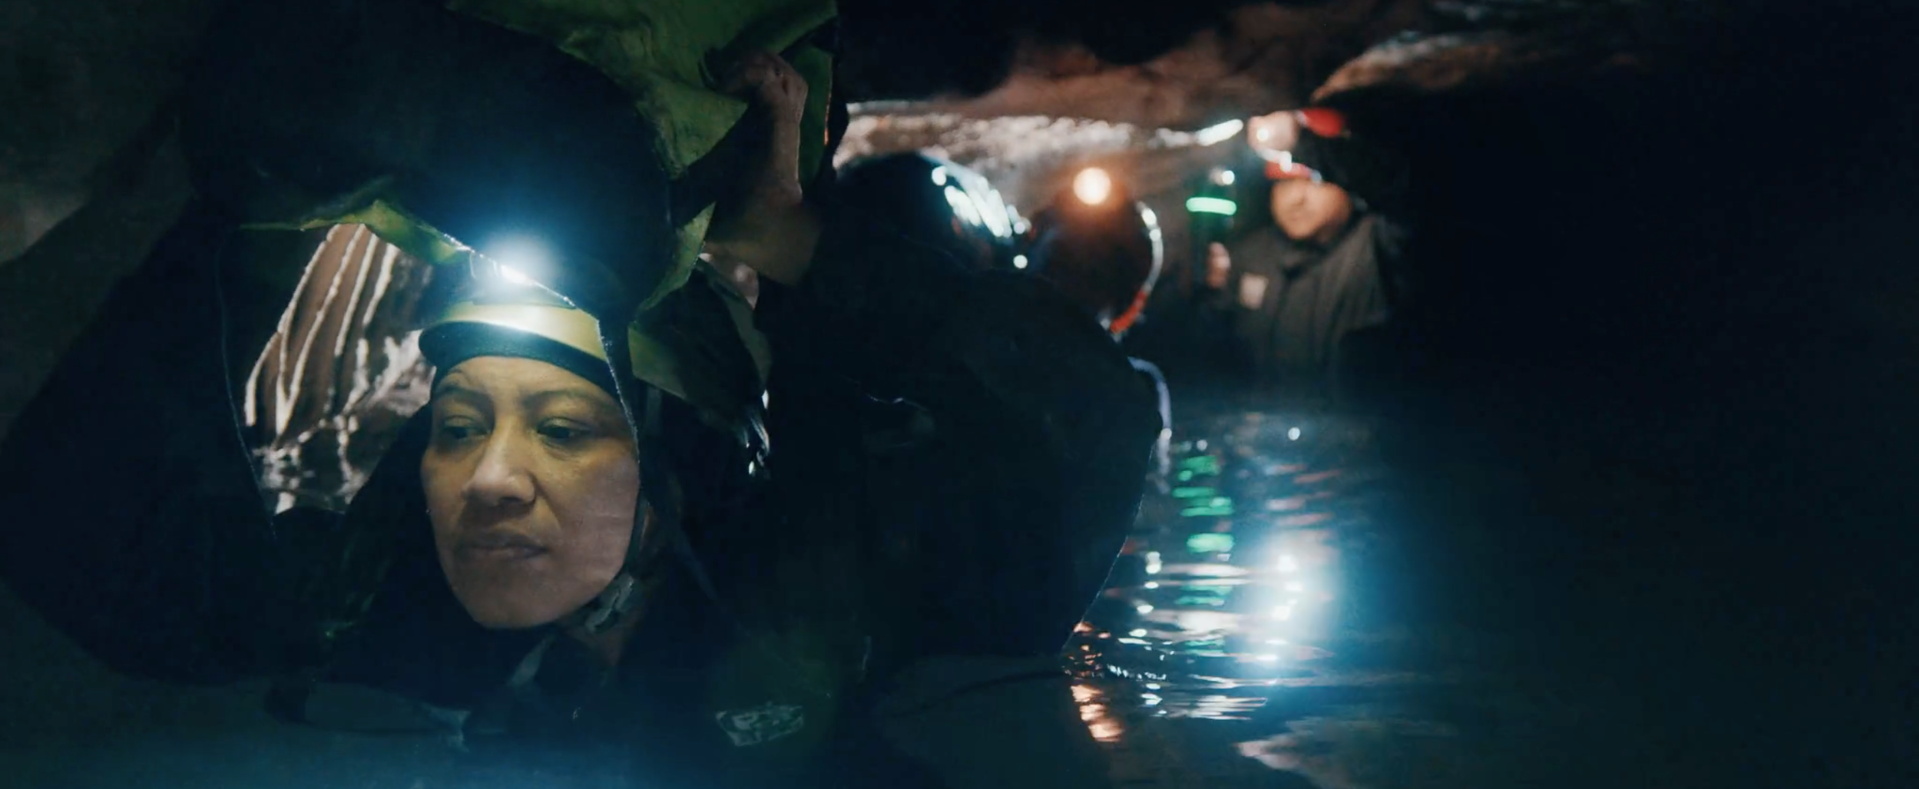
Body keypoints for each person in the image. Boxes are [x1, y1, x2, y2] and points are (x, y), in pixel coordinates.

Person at [0, 5, 1157, 787]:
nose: (491, 479)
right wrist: (788, 241)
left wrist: (239, 221)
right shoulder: (873, 621)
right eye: (462, 423)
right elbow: (1090, 418)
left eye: (548, 426)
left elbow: (81, 545)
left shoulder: (834, 631)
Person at [1207, 109, 1411, 404]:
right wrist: (1209, 299)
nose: (1296, 198)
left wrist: (1304, 144)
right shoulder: (1248, 256)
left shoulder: (1379, 247)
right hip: (1258, 425)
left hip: (1356, 429)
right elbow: (1210, 359)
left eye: (1314, 181)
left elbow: (1404, 190)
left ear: (1345, 183)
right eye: (1285, 184)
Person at [1023, 179, 1173, 486]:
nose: (1074, 284)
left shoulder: (1137, 384)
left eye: (1092, 274)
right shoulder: (1009, 366)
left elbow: (1148, 475)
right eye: (1062, 268)